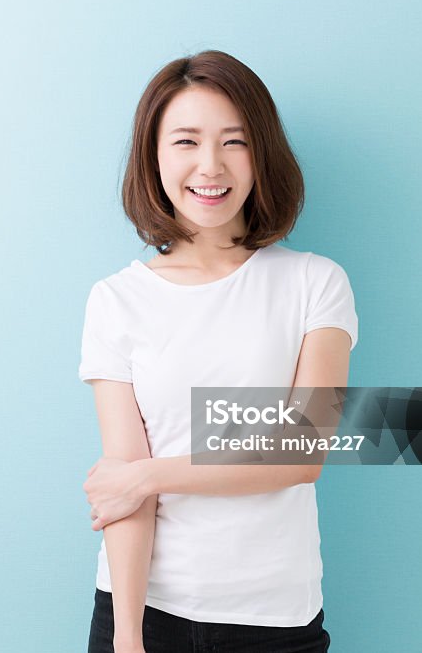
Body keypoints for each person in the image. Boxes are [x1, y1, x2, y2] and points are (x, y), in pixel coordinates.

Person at [77, 50, 358, 653]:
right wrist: (128, 638)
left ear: (262, 156)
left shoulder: (315, 283)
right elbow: (125, 490)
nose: (211, 165)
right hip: (144, 612)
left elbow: (301, 452)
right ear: (154, 156)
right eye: (186, 141)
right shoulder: (116, 300)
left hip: (276, 622)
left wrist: (149, 476)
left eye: (234, 142)